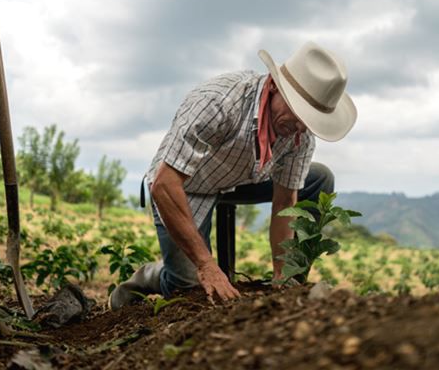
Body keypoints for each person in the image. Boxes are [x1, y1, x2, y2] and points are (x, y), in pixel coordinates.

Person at [109, 41, 357, 309]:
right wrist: (206, 265)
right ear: (274, 87)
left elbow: (286, 202)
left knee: (320, 178)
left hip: (241, 178)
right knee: (189, 287)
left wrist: (282, 276)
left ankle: (292, 285)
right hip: (186, 185)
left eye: (309, 121)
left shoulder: (299, 133)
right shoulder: (219, 102)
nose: (300, 127)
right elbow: (165, 184)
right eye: (298, 114)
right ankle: (150, 276)